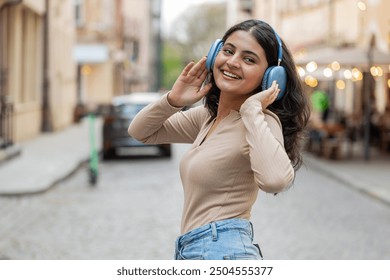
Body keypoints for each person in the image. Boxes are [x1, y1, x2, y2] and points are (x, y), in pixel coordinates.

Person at [128, 19, 310, 260]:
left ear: (271, 76)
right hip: (197, 249)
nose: (232, 62)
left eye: (249, 59)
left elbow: (275, 180)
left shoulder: (261, 121)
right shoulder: (207, 117)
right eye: (228, 50)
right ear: (215, 54)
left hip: (224, 251)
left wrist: (252, 109)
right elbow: (140, 131)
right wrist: (173, 99)